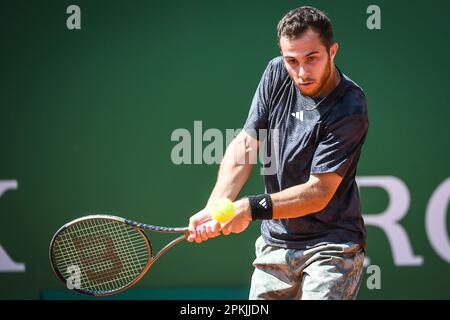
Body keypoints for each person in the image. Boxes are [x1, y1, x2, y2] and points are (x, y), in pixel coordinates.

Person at [187, 6, 369, 300]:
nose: (301, 72)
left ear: (332, 51)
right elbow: (246, 145)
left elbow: (318, 192)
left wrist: (248, 207)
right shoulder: (276, 73)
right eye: (291, 60)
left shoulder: (350, 105)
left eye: (312, 59)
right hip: (275, 245)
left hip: (331, 248)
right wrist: (216, 205)